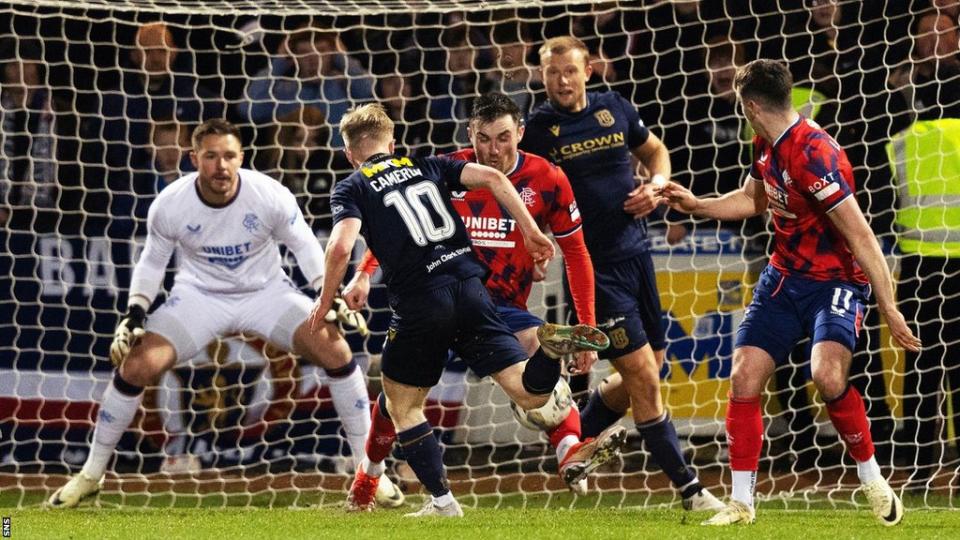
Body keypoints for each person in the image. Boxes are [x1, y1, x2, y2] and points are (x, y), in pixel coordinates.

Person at [46, 119, 387, 508]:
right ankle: (90, 475)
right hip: (199, 296)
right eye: (210, 156)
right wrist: (135, 312)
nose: (221, 166)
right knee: (136, 366)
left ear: (241, 158)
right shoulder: (171, 203)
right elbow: (152, 263)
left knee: (337, 352)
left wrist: (325, 297)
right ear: (194, 159)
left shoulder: (269, 194)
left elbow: (306, 246)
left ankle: (370, 473)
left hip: (266, 293)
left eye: (228, 156)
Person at [307, 103, 611, 517]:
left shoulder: (353, 186)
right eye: (483, 138)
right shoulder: (426, 165)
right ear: (393, 143)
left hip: (422, 302)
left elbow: (341, 245)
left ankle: (443, 502)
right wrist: (531, 229)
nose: (493, 148)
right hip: (472, 289)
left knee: (401, 405)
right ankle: (548, 352)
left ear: (348, 154)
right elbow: (491, 178)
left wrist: (327, 299)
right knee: (527, 390)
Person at [658, 59, 922, 526]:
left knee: (826, 375)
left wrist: (889, 307)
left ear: (751, 105)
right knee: (744, 377)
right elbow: (751, 200)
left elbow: (862, 236)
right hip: (783, 278)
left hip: (835, 283)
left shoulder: (812, 153)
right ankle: (741, 504)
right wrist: (696, 204)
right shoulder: (767, 143)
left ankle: (872, 477)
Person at [519, 36, 724, 512]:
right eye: (552, 73)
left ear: (588, 70)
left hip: (638, 255)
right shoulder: (537, 129)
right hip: (591, 268)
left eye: (569, 71)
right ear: (543, 76)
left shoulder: (616, 108)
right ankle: (690, 491)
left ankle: (573, 442)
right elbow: (518, 189)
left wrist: (655, 186)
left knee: (641, 376)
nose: (561, 81)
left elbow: (656, 152)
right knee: (645, 380)